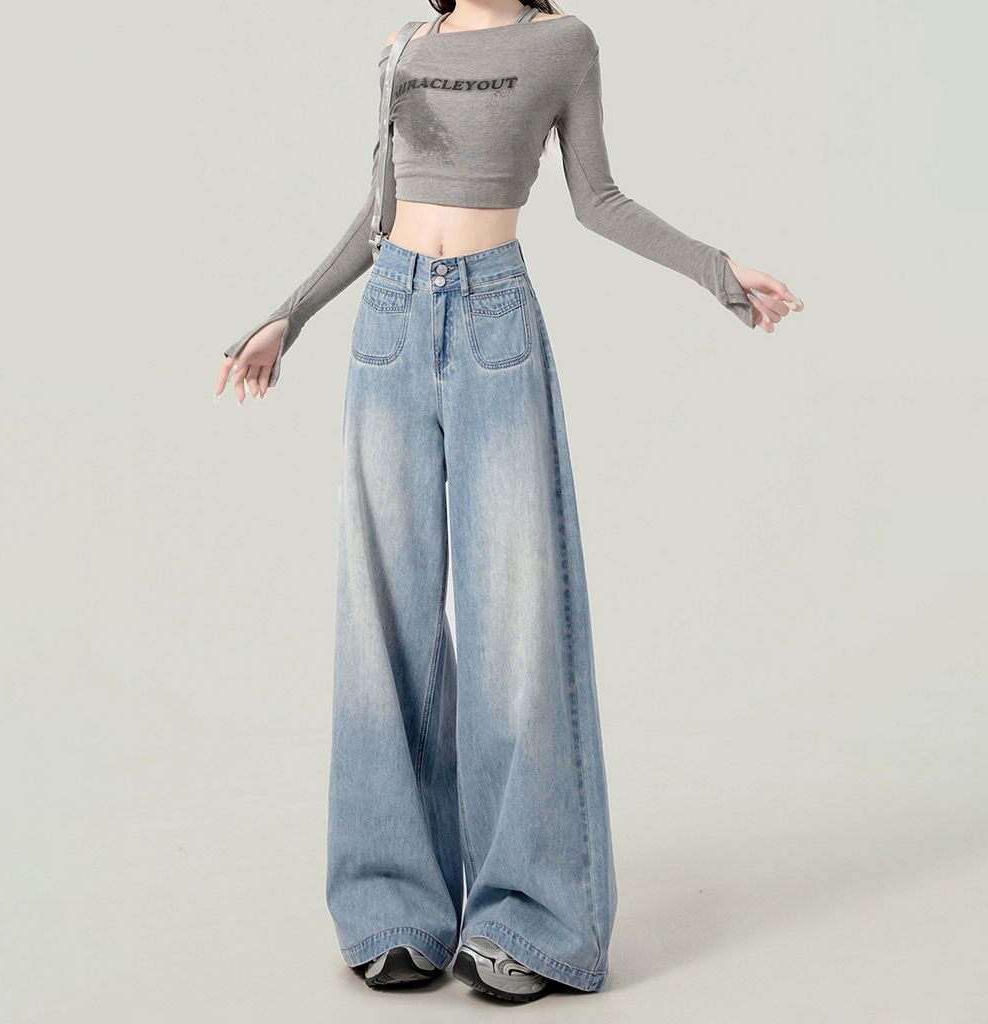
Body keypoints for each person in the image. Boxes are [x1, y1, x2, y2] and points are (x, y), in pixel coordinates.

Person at [214, 0, 802, 1004]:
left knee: (516, 623)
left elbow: (597, 198)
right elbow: (377, 211)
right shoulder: (404, 45)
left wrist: (717, 271)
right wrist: (288, 315)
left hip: (494, 320)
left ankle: (529, 918)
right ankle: (391, 908)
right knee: (381, 622)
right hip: (387, 323)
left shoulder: (561, 44)